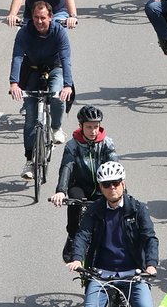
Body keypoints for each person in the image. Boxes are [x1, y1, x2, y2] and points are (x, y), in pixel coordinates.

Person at [67, 162, 160, 307]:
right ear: (100, 188)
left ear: (123, 184)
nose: (112, 188)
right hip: (100, 275)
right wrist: (77, 258)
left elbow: (150, 238)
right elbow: (82, 235)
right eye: (106, 184)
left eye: (116, 183)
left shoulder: (138, 209)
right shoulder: (94, 209)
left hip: (134, 274)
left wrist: (151, 264)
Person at [10, 1, 76, 179]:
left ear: (51, 17)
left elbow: (65, 58)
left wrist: (67, 85)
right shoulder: (25, 32)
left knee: (56, 95)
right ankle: (30, 161)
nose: (39, 22)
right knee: (30, 119)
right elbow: (17, 56)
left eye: (43, 18)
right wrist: (14, 83)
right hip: (32, 69)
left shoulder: (59, 32)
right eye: (36, 18)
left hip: (56, 68)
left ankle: (56, 128)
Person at [50, 108, 119, 258]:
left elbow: (115, 168)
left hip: (102, 186)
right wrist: (61, 190)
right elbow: (66, 167)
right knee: (75, 201)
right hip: (80, 185)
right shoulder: (72, 145)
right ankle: (72, 237)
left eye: (96, 126)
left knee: (113, 210)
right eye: (89, 127)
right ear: (80, 126)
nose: (93, 131)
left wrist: (121, 192)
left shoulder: (107, 143)